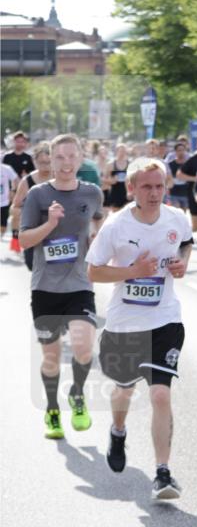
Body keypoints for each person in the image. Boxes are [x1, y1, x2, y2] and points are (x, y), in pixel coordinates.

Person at [86, 158, 193, 501]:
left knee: (160, 394)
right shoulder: (116, 226)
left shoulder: (176, 218)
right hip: (124, 324)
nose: (154, 193)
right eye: (146, 186)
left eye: (159, 186)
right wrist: (133, 271)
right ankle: (118, 430)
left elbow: (187, 243)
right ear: (131, 188)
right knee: (123, 391)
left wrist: (182, 263)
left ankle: (163, 473)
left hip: (165, 320)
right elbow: (94, 272)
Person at [19, 134, 103, 439]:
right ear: (50, 161)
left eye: (71, 157)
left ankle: (77, 394)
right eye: (59, 157)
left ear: (80, 159)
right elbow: (25, 240)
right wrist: (51, 224)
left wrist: (96, 240)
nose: (66, 163)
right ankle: (53, 410)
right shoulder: (38, 196)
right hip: (44, 288)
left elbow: (97, 222)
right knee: (51, 359)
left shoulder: (92, 192)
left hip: (80, 284)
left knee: (83, 348)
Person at [10, 142, 52, 270]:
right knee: (32, 265)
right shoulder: (27, 181)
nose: (44, 166)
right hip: (33, 233)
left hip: (57, 232)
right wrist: (28, 214)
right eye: (40, 162)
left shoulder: (61, 177)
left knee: (56, 269)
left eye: (47, 162)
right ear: (34, 161)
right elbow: (14, 208)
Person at [4, 131, 34, 252]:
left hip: (22, 190)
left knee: (17, 214)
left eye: (22, 141)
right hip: (8, 190)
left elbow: (33, 175)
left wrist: (25, 176)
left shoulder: (28, 158)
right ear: (14, 142)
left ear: (26, 143)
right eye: (18, 141)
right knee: (7, 215)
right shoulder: (7, 157)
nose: (20, 143)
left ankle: (16, 240)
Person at [104, 143, 131, 212]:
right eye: (120, 151)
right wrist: (111, 181)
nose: (122, 153)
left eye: (124, 151)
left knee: (127, 213)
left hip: (126, 192)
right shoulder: (111, 164)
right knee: (115, 214)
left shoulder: (130, 164)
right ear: (116, 151)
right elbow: (104, 179)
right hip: (115, 192)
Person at [165, 141, 190, 211]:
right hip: (174, 194)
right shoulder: (170, 164)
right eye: (179, 150)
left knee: (183, 214)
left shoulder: (188, 164)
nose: (181, 152)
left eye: (183, 150)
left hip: (185, 193)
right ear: (175, 152)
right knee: (178, 212)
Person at [0, 160, 18, 242]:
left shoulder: (6, 168)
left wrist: (13, 190)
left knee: (3, 225)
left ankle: (1, 235)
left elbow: (15, 179)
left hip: (4, 201)